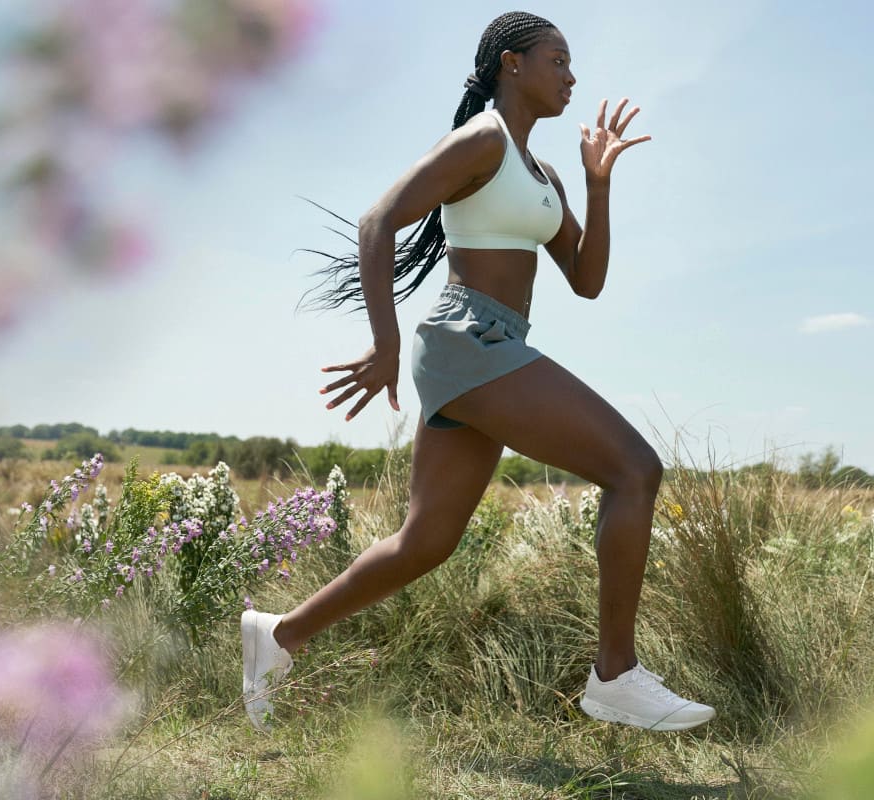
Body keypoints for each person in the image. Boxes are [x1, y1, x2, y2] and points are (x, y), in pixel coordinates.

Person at [242, 10, 715, 733]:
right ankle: (614, 675)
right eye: (558, 59)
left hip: (492, 345)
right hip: (469, 340)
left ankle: (278, 635)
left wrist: (597, 184)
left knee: (426, 541)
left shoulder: (543, 173)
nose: (572, 75)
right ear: (510, 65)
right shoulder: (482, 140)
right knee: (634, 470)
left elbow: (586, 281)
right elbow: (379, 219)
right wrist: (385, 343)